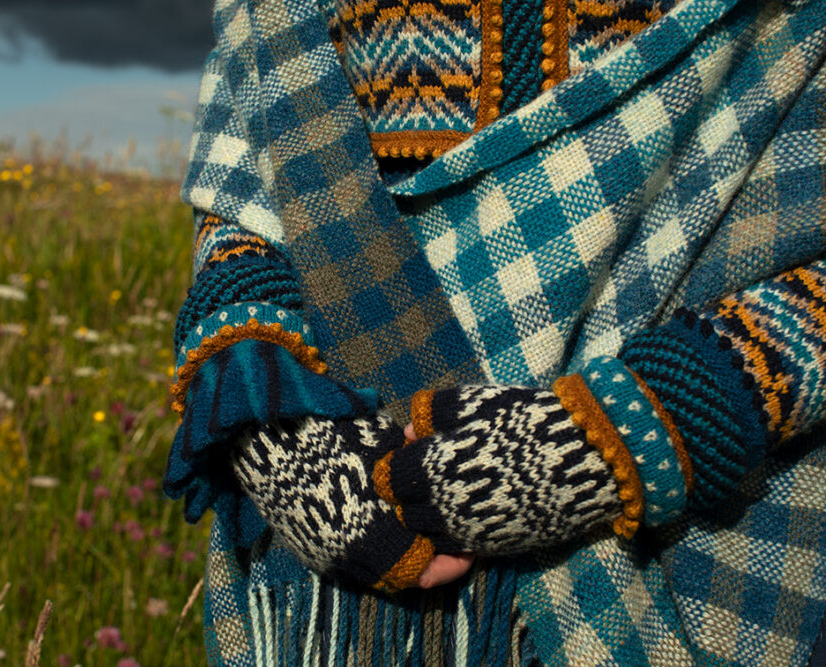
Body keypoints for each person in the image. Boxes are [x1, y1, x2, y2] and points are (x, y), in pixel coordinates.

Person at [164, 0, 826, 663]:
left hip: (690, 531)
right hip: (337, 544)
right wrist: (260, 396)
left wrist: (668, 411)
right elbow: (252, 105)